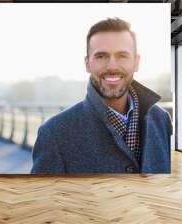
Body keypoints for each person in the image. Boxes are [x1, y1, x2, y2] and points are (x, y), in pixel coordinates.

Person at [31, 18, 172, 174]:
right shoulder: (54, 134)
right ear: (87, 63)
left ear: (136, 62)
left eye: (122, 55)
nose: (112, 66)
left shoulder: (162, 120)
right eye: (101, 56)